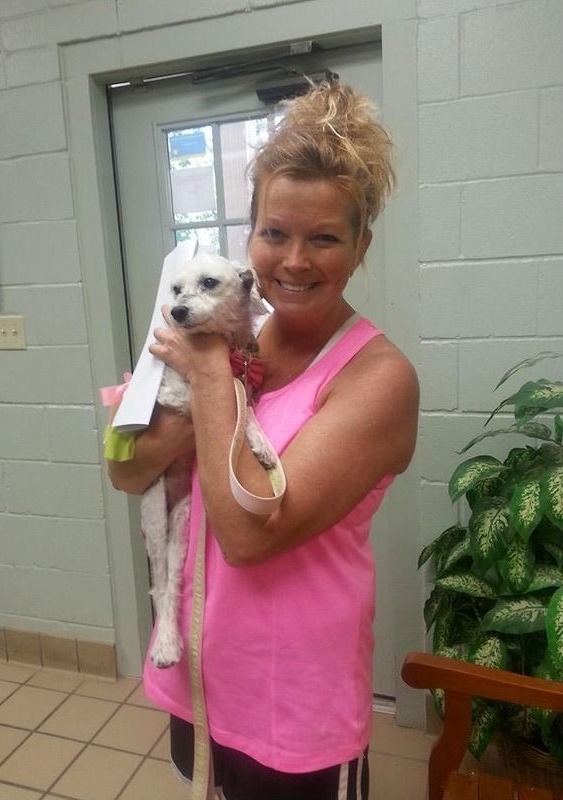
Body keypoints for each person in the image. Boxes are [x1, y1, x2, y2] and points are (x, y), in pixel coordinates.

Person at [108, 81, 419, 800]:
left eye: (326, 238)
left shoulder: (379, 379)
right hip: (206, 671)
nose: (295, 261)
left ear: (362, 244)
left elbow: (249, 535)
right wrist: (181, 405)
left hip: (298, 703)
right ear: (249, 238)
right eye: (275, 233)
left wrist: (209, 375)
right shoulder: (226, 333)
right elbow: (125, 471)